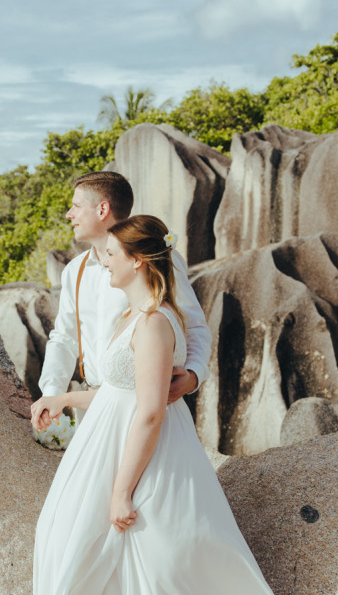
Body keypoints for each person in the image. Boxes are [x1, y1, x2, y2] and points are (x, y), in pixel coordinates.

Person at [32, 215, 299, 595]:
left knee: (157, 578)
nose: (101, 262)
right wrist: (64, 400)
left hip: (145, 462)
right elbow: (119, 393)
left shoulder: (154, 324)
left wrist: (122, 490)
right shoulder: (135, 315)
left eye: (109, 255)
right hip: (114, 443)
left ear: (137, 261)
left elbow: (151, 411)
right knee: (130, 578)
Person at [31, 171, 210, 431]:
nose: (70, 214)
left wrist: (194, 375)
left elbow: (194, 325)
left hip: (144, 406)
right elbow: (64, 337)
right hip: (91, 408)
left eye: (76, 206)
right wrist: (51, 394)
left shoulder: (159, 261)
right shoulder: (75, 271)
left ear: (102, 209)